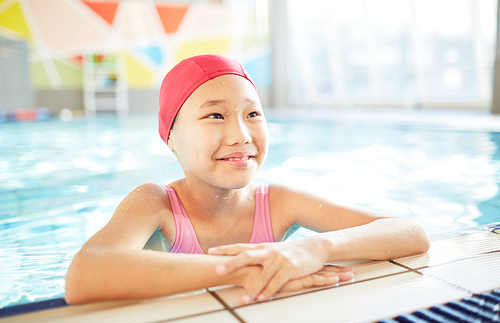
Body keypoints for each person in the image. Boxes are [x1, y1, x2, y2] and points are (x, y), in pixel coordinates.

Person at [65, 54, 430, 305]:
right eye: (215, 116)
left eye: (252, 113)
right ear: (171, 137)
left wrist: (312, 249)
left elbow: (411, 233)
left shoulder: (279, 203)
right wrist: (248, 270)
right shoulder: (154, 203)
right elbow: (84, 275)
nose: (241, 135)